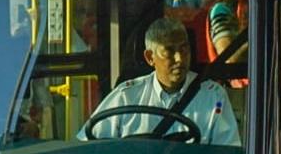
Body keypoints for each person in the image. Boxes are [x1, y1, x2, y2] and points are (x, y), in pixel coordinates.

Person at [80, 17, 241, 146]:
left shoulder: (212, 98)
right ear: (150, 58)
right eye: (169, 52)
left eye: (184, 49)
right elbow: (88, 147)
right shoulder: (126, 97)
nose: (179, 59)